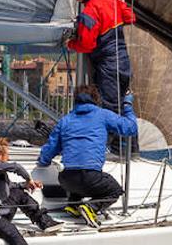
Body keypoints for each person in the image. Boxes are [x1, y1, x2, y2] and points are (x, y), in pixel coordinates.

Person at [37, 84, 139, 227]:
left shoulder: (65, 120)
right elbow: (130, 128)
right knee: (115, 190)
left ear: (76, 100)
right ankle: (91, 207)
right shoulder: (103, 115)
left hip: (66, 179)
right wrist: (127, 103)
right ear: (96, 99)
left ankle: (73, 205)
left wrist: (42, 163)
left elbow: (51, 148)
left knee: (79, 180)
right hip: (89, 178)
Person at [67, 0, 136, 113]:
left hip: (107, 67)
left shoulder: (89, 13)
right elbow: (131, 18)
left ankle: (111, 135)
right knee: (121, 107)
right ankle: (125, 133)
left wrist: (70, 44)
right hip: (123, 62)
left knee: (109, 110)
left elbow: (87, 45)